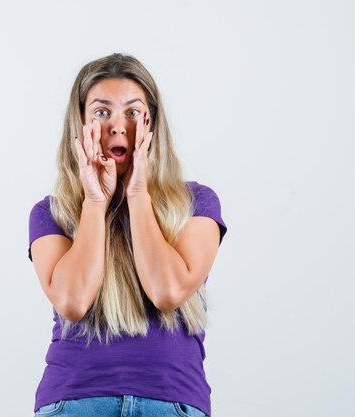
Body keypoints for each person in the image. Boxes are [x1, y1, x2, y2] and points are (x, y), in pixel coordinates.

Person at [27, 53, 227, 417]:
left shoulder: (197, 203)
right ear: (81, 124)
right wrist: (93, 201)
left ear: (152, 125)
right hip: (75, 402)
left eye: (133, 112)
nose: (118, 126)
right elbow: (72, 301)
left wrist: (138, 194)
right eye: (102, 112)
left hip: (172, 402)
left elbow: (167, 291)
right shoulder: (51, 213)